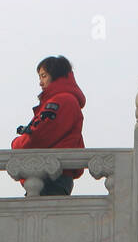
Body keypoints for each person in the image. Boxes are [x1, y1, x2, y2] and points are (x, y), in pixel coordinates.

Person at [10, 55, 86, 196]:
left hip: (52, 175)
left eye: (44, 76)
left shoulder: (62, 100)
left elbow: (38, 136)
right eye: (40, 77)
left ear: (56, 75)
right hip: (53, 174)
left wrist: (16, 144)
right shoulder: (64, 100)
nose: (40, 82)